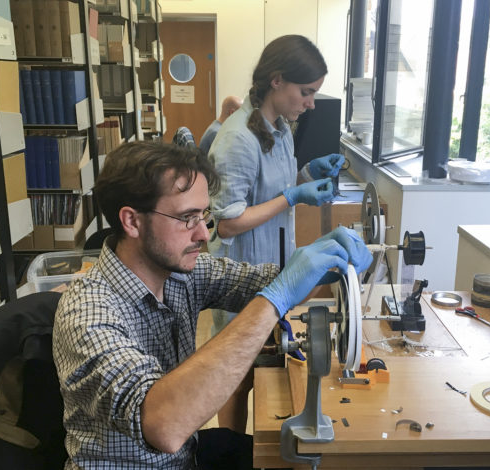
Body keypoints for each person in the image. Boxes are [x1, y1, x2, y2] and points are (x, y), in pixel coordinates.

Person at [52, 141, 372, 469]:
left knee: (303, 459)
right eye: (187, 218)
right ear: (132, 222)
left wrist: (328, 263)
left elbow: (274, 282)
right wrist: (275, 299)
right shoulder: (86, 313)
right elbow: (164, 425)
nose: (204, 235)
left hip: (185, 458)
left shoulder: (182, 273)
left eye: (203, 216)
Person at [207, 34, 346, 432]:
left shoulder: (280, 126)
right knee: (237, 377)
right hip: (240, 273)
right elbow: (228, 221)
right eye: (306, 92)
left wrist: (308, 174)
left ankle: (258, 448)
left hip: (270, 266)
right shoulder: (237, 138)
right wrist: (292, 195)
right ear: (277, 80)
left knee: (265, 365)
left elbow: (273, 190)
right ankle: (229, 451)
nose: (311, 103)